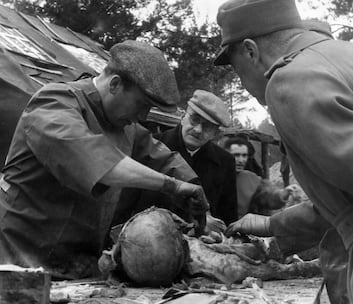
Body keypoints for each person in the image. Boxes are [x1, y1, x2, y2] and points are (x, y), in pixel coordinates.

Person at [214, 0, 353, 303]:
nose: (244, 85)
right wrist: (272, 224)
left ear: (251, 51)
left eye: (237, 71)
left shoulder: (290, 80)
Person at [0, 40, 209, 279]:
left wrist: (196, 196)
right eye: (141, 105)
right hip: (19, 261)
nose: (142, 116)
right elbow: (95, 160)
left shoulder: (125, 126)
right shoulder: (52, 103)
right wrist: (172, 186)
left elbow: (163, 158)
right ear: (115, 84)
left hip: (80, 265)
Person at [155, 90, 238, 227]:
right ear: (183, 117)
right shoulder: (153, 146)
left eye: (208, 127)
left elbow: (228, 215)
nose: (198, 130)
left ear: (215, 133)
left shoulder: (225, 162)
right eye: (194, 119)